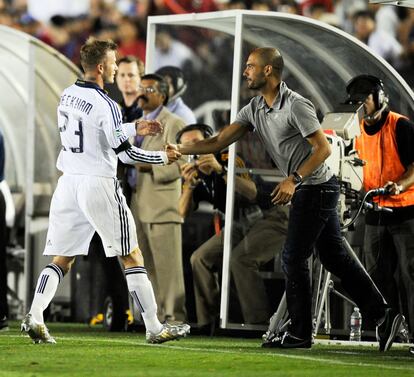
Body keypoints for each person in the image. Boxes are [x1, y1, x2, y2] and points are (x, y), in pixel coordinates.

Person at [167, 47, 402, 351]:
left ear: (268, 71)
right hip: (311, 187)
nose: (244, 71)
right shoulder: (253, 108)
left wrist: (294, 179)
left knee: (293, 257)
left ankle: (300, 334)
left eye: (250, 66)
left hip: (316, 187)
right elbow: (220, 140)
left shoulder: (296, 105)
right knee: (333, 257)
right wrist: (179, 149)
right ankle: (383, 315)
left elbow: (323, 150)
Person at [21, 38, 190, 344]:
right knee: (131, 254)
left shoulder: (67, 95)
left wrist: (132, 127)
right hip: (98, 183)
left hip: (69, 182)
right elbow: (127, 155)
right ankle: (154, 326)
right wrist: (163, 157)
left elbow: (94, 132)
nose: (115, 68)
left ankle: (35, 315)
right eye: (113, 63)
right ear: (101, 67)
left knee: (63, 257)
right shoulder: (107, 104)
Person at [177, 123, 281, 331]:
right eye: (187, 147)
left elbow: (252, 193)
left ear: (209, 142)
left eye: (197, 143)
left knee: (240, 260)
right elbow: (181, 214)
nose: (194, 150)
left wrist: (221, 171)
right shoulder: (194, 172)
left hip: (270, 214)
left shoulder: (228, 156)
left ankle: (257, 324)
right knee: (199, 258)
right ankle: (209, 322)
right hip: (240, 223)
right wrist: (189, 186)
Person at [350, 74, 414, 339]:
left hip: (406, 210)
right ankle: (389, 325)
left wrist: (399, 185)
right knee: (376, 273)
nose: (360, 106)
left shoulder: (400, 126)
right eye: (356, 101)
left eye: (364, 99)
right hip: (375, 210)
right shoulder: (356, 129)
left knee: (410, 274)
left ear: (378, 98)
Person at [130, 73, 187, 322]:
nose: (142, 92)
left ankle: (175, 318)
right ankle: (152, 319)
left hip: (162, 205)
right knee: (146, 267)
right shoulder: (136, 123)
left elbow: (182, 164)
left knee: (168, 268)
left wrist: (151, 166)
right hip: (137, 202)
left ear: (163, 96)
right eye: (141, 88)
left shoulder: (174, 123)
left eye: (149, 89)